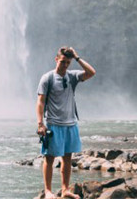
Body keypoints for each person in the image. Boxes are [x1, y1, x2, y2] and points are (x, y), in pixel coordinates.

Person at [36, 47, 96, 199]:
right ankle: (48, 191)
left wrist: (77, 58)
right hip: (53, 124)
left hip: (71, 124)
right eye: (62, 62)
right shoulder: (47, 78)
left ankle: (65, 190)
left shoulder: (72, 76)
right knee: (49, 158)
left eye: (68, 62)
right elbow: (40, 102)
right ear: (56, 59)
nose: (65, 65)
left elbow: (91, 72)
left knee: (67, 159)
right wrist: (40, 124)